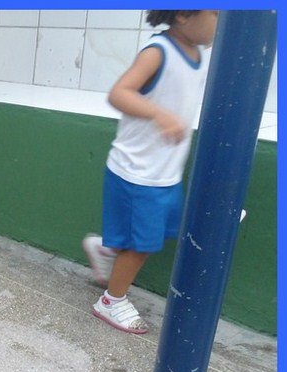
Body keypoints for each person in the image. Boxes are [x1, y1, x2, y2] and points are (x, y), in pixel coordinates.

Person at [82, 10, 219, 334]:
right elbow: (119, 93)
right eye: (215, 11)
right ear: (183, 15)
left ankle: (105, 249)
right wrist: (159, 114)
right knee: (141, 244)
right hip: (137, 173)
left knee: (149, 234)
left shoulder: (198, 53)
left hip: (165, 172)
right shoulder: (158, 52)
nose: (221, 19)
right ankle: (111, 301)